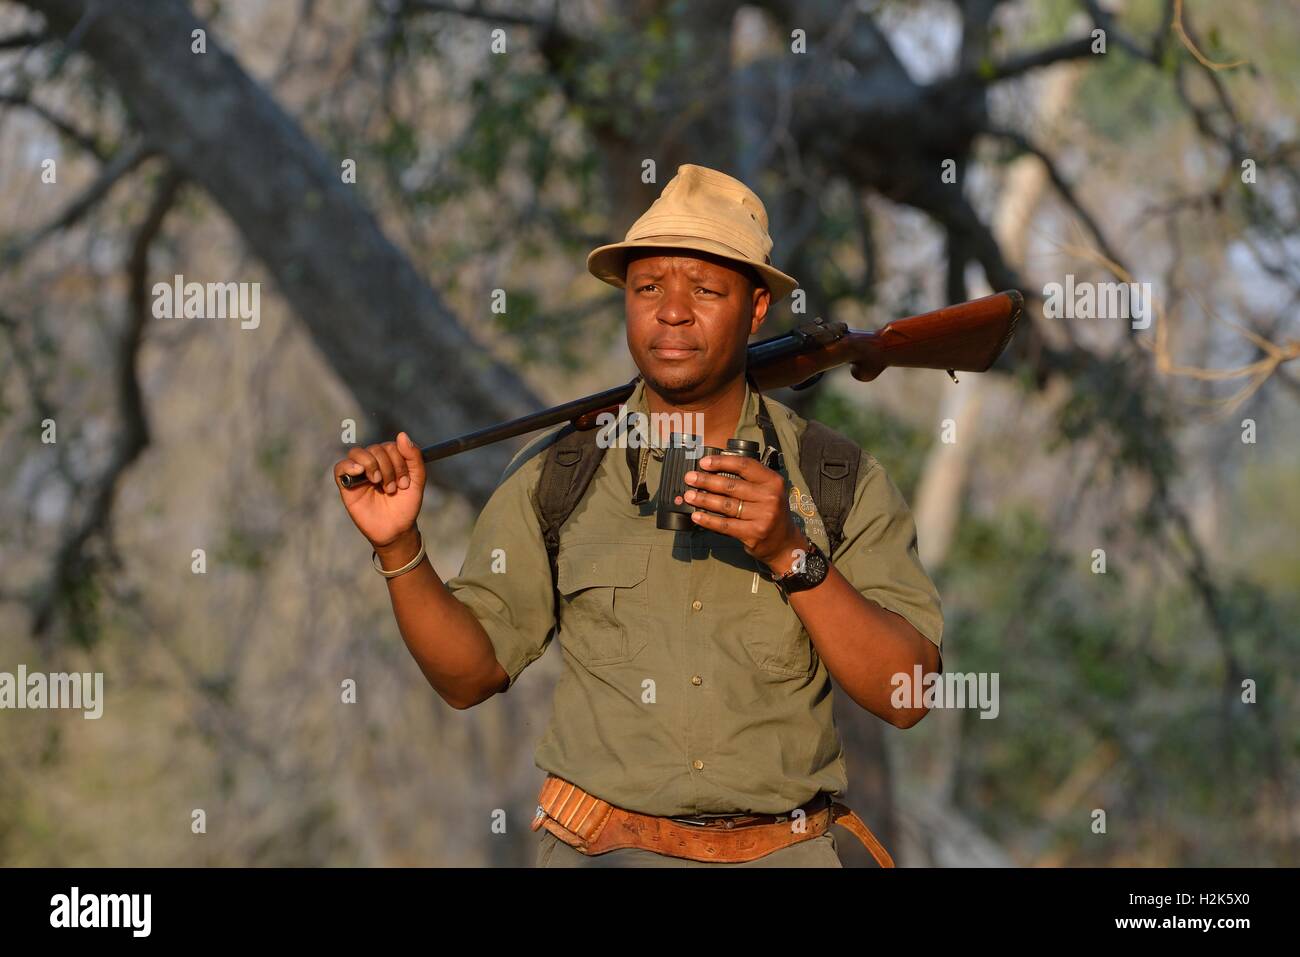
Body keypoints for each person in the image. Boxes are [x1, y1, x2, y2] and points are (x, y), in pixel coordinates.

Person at [332, 164, 943, 867]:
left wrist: (789, 553)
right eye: (648, 287)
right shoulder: (559, 472)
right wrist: (400, 547)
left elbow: (909, 693)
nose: (672, 311)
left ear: (754, 311)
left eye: (706, 290)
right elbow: (469, 676)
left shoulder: (836, 478)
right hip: (602, 850)